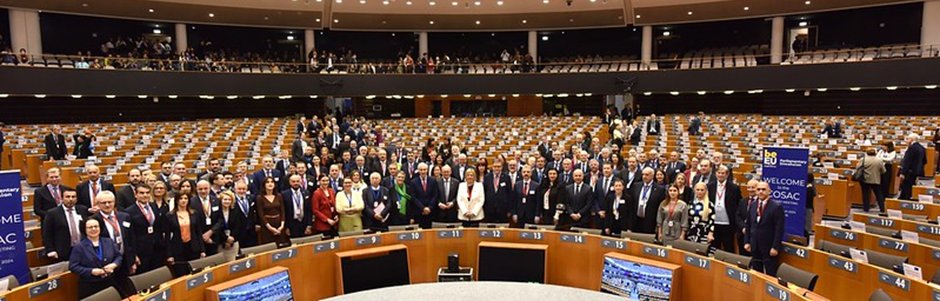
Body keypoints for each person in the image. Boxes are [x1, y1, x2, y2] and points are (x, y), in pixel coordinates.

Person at [69, 219, 122, 300]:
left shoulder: (108, 241)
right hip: (90, 285)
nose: (93, 229)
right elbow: (73, 266)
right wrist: (91, 271)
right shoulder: (79, 247)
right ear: (84, 229)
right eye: (90, 227)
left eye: (96, 226)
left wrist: (114, 265)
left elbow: (118, 256)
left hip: (109, 282)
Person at [744, 182, 785, 276]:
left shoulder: (776, 207)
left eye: (763, 189)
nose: (760, 192)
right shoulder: (753, 204)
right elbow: (748, 225)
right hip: (754, 246)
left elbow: (779, 229)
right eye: (758, 189)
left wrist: (775, 247)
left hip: (769, 247)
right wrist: (747, 242)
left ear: (769, 191)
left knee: (771, 274)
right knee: (757, 273)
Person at [124, 184, 164, 274]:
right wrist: (134, 255)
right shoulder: (128, 212)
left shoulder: (154, 206)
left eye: (147, 193)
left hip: (157, 249)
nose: (145, 195)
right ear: (135, 194)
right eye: (142, 193)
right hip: (141, 252)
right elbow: (129, 236)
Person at [42, 189, 89, 263]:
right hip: (63, 251)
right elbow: (47, 233)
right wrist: (50, 250)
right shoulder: (52, 213)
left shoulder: (82, 210)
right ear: (62, 198)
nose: (71, 199)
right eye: (68, 197)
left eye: (73, 197)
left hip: (83, 248)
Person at [165, 194, 206, 268]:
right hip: (178, 248)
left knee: (196, 270)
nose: (183, 200)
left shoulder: (194, 213)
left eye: (185, 198)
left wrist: (202, 250)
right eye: (181, 198)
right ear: (177, 200)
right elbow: (167, 237)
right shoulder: (170, 216)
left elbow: (198, 233)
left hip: (193, 247)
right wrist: (169, 255)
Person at [707, 165, 741, 253]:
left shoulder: (734, 188)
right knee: (714, 248)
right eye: (719, 173)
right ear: (716, 174)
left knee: (728, 247)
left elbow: (738, 204)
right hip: (714, 222)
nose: (721, 175)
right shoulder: (710, 186)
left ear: (727, 175)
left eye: (723, 173)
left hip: (728, 223)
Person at [627, 167, 666, 234]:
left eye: (647, 175)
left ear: (652, 176)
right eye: (643, 174)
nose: (644, 177)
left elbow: (660, 208)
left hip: (650, 222)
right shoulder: (636, 186)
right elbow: (631, 205)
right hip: (636, 220)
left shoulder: (660, 189)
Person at [211, 191, 243, 262]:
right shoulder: (216, 212)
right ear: (221, 200)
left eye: (229, 199)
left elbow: (238, 226)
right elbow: (216, 227)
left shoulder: (235, 211)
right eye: (225, 199)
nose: (227, 201)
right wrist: (226, 238)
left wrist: (231, 239)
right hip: (221, 242)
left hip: (233, 241)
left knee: (233, 263)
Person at [256, 177, 289, 246]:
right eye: (267, 182)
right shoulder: (260, 198)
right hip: (267, 226)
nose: (270, 184)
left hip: (279, 225)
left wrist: (282, 226)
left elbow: (283, 211)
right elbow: (261, 214)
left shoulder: (279, 196)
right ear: (264, 185)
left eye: (272, 182)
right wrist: (270, 228)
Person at [409, 163, 438, 228]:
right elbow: (413, 197)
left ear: (427, 170)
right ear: (418, 171)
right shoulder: (413, 182)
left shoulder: (433, 181)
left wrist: (429, 207)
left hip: (431, 212)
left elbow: (435, 195)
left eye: (424, 169)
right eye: (421, 170)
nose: (423, 172)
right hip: (419, 212)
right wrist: (423, 208)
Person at [898, 133, 927, 200]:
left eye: (908, 139)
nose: (906, 141)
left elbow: (907, 162)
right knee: (912, 187)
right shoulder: (922, 148)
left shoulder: (911, 148)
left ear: (912, 139)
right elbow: (925, 161)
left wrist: (903, 173)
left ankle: (905, 201)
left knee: (906, 188)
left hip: (909, 172)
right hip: (918, 171)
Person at [858, 148, 887, 212]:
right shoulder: (879, 160)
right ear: (875, 153)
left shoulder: (863, 159)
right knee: (878, 194)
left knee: (865, 194)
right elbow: (884, 171)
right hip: (875, 179)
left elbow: (858, 168)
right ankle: (882, 208)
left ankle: (866, 208)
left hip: (865, 179)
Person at [231, 181, 258, 248]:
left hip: (251, 230)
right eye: (239, 189)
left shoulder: (251, 198)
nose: (241, 191)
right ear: (235, 189)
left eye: (243, 189)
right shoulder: (232, 200)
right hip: (238, 231)